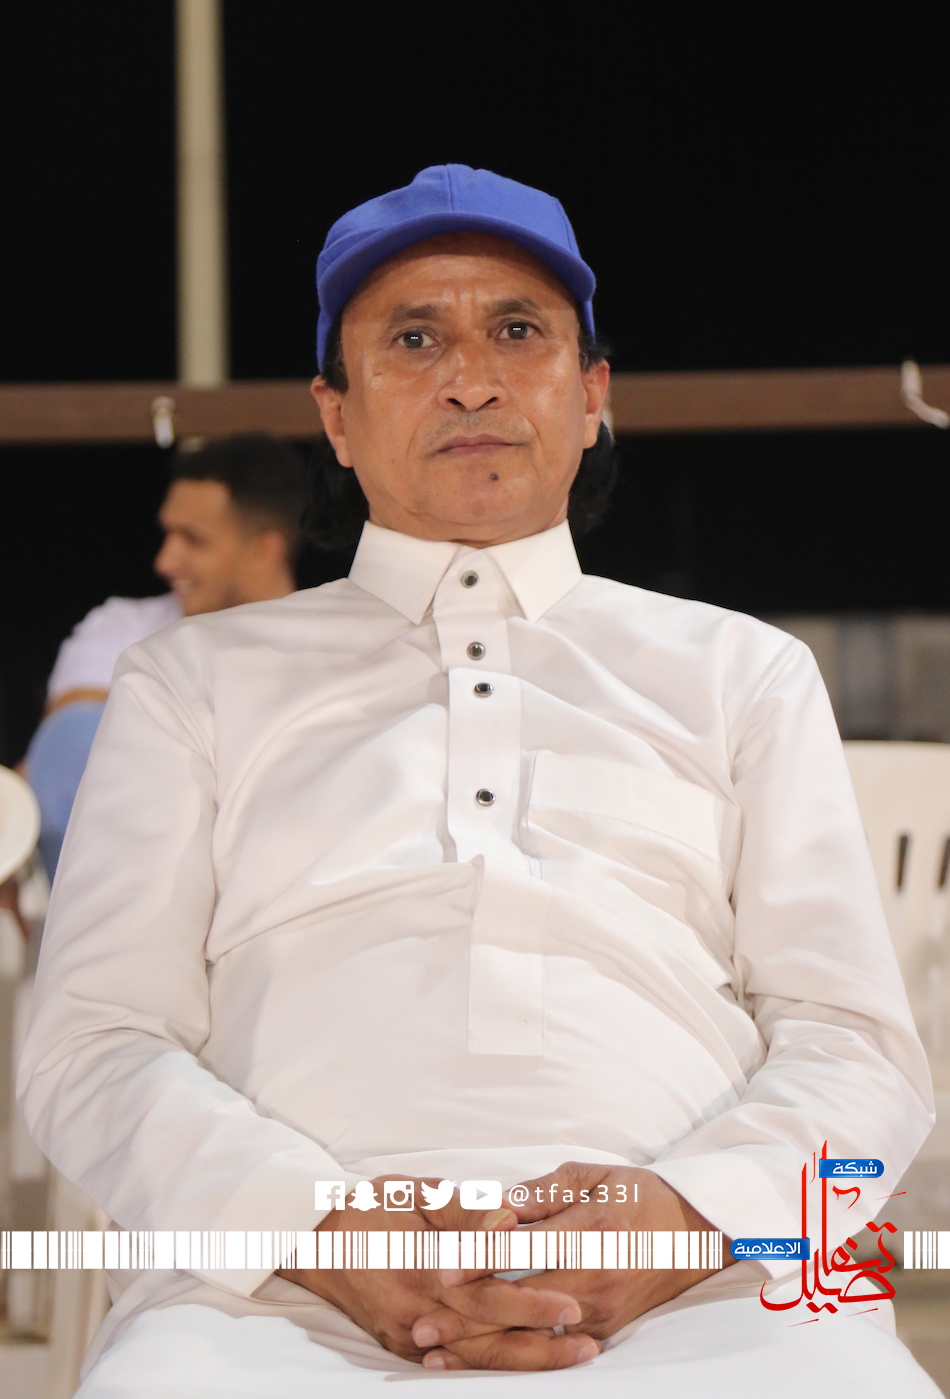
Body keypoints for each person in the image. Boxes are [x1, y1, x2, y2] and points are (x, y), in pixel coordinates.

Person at [17, 166, 938, 1397]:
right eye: (413, 340)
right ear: (335, 417)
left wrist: (682, 1217)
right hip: (275, 1289)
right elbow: (96, 1041)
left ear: (590, 395)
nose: (470, 379)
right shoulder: (192, 682)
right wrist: (321, 1227)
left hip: (709, 1277)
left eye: (517, 332)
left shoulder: (736, 671)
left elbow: (855, 1045)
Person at [24, 433, 307, 875]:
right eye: (168, 533)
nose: (165, 561)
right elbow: (68, 766)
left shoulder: (330, 649)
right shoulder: (120, 627)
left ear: (263, 551)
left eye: (193, 540)